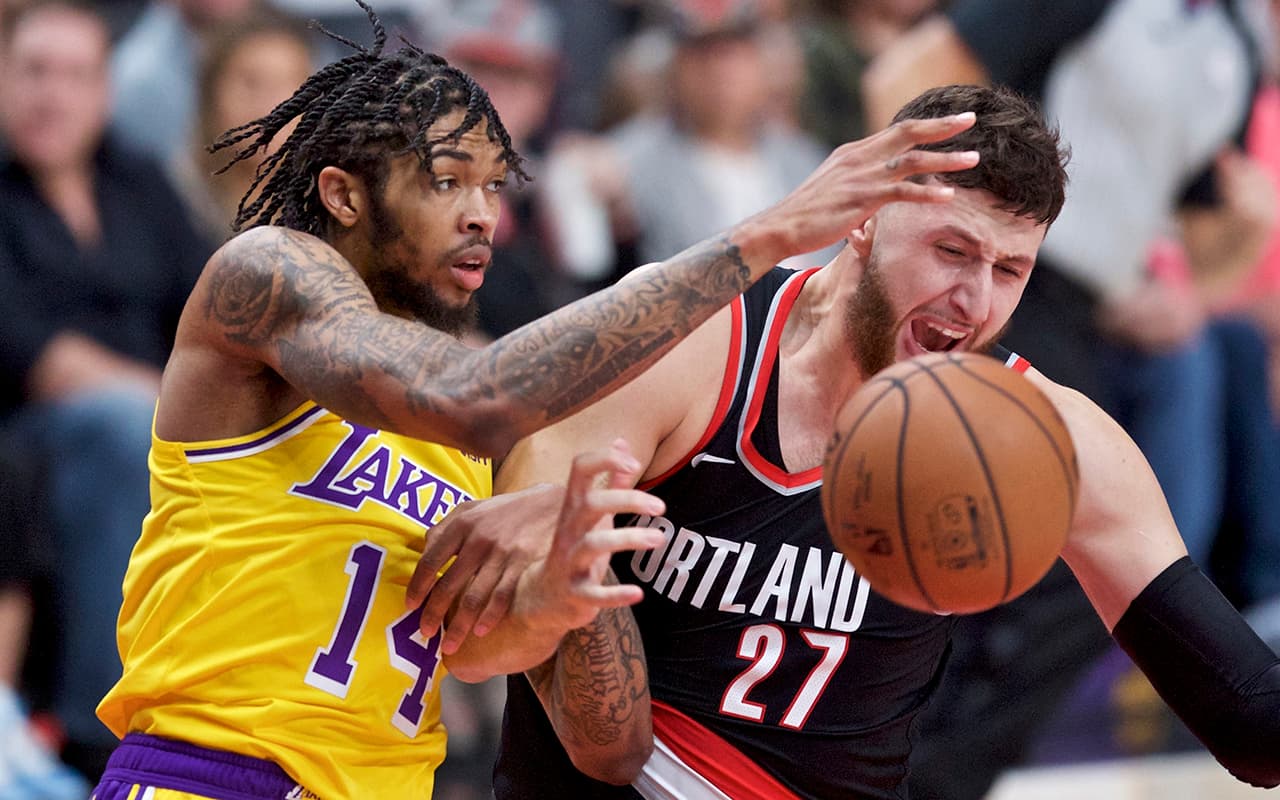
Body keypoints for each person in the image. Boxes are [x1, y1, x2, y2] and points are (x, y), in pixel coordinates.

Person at [87, 0, 985, 797]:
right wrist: (766, 238)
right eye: (447, 181)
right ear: (343, 195)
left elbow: (543, 696)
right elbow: (472, 394)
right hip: (209, 772)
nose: (483, 213)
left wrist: (568, 588)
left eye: (493, 184)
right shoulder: (267, 275)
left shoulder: (486, 424)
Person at [410, 84, 1280, 799]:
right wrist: (571, 595)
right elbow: (505, 667)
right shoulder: (686, 344)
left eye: (1008, 270)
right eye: (951, 250)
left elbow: (1252, 719)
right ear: (863, 219)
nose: (972, 301)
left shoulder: (1044, 436)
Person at [0, 0, 213, 781]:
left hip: (159, 417)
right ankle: (106, 730)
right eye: (33, 71)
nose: (51, 94)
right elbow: (43, 358)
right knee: (127, 430)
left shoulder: (137, 180)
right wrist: (189, 412)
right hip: (34, 436)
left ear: (104, 91)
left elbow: (213, 306)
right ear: (1, 79)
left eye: (74, 75)